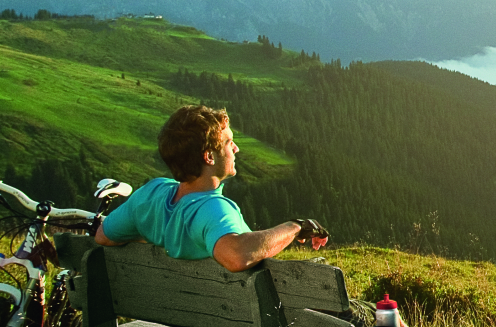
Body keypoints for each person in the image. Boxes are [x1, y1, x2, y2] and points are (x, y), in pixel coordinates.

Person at [94, 104, 328, 270]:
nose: (236, 149)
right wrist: (295, 226)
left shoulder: (150, 194)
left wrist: (161, 238)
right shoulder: (212, 209)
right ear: (209, 157)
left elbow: (104, 236)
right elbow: (236, 256)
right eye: (228, 142)